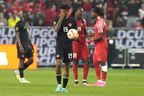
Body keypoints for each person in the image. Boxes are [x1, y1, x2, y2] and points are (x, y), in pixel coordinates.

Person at [53, 3, 77, 92]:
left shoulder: (73, 21)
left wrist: (75, 37)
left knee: (67, 67)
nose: (64, 12)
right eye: (62, 10)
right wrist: (60, 19)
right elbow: (55, 30)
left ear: (68, 11)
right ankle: (59, 85)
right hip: (60, 45)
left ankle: (64, 88)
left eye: (66, 10)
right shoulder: (57, 19)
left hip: (68, 46)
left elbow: (75, 34)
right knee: (58, 64)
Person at [88, 7, 108, 87]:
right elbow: (99, 33)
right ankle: (99, 81)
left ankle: (103, 81)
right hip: (98, 44)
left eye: (92, 12)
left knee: (102, 62)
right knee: (96, 62)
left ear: (96, 13)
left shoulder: (100, 22)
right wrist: (92, 35)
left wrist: (90, 39)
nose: (91, 14)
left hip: (101, 44)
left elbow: (100, 36)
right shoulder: (99, 21)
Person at [14, 8, 34, 83]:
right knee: (21, 60)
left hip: (28, 45)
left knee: (31, 60)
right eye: (28, 14)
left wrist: (31, 45)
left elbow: (27, 36)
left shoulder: (27, 24)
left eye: (30, 14)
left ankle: (18, 71)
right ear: (24, 15)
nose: (29, 15)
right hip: (21, 45)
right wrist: (20, 46)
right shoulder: (18, 23)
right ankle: (22, 78)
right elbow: (17, 36)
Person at [72, 7, 89, 86]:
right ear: (76, 12)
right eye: (80, 12)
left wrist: (88, 37)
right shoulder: (72, 22)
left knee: (86, 61)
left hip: (83, 44)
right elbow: (69, 33)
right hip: (75, 44)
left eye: (82, 12)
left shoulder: (83, 21)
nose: (81, 14)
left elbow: (85, 32)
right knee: (75, 61)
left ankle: (84, 80)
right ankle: (76, 80)